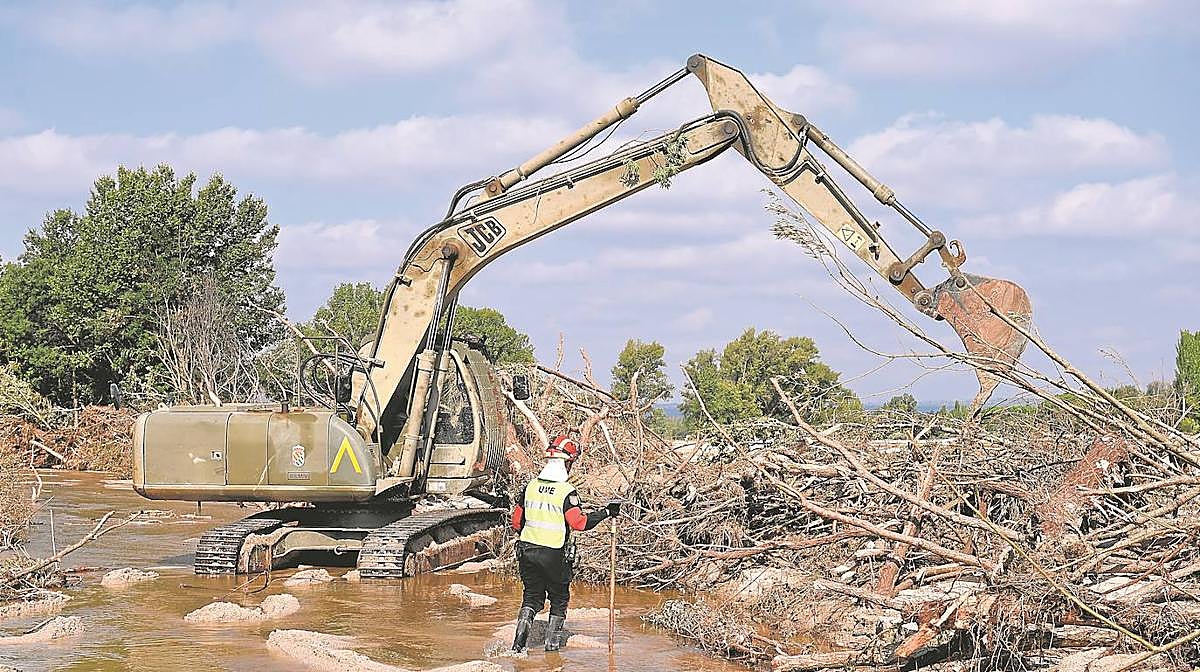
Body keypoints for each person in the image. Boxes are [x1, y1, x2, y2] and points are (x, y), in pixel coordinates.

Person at [509, 434, 621, 652]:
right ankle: (552, 652)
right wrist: (606, 512)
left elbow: (516, 522)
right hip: (554, 554)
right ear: (567, 463)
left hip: (527, 551)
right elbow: (579, 523)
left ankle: (517, 647)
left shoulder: (530, 487)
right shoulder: (565, 491)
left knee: (532, 597)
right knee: (559, 599)